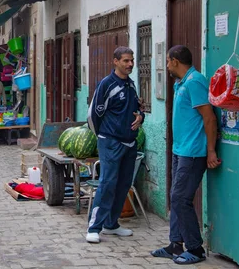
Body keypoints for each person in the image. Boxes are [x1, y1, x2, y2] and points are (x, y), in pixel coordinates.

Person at [151, 45, 220, 264]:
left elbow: (209, 118)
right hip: (180, 150)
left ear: (174, 61)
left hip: (193, 152)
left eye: (168, 61)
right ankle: (175, 244)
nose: (167, 65)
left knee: (180, 198)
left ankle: (195, 249)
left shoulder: (195, 81)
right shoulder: (181, 83)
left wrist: (210, 150)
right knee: (175, 196)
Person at [86, 46, 144, 244]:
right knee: (108, 183)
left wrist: (141, 117)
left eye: (132, 60)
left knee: (123, 184)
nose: (130, 64)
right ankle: (94, 228)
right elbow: (93, 115)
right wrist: (103, 136)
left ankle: (111, 224)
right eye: (126, 61)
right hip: (111, 142)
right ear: (115, 61)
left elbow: (137, 108)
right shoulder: (107, 84)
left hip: (130, 143)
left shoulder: (131, 85)